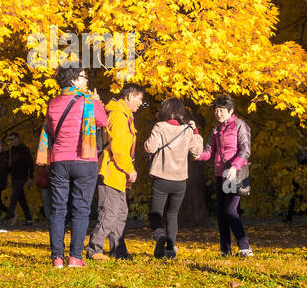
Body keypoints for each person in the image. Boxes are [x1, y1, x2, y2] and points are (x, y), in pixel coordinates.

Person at [37, 66, 109, 267]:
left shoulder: (52, 103)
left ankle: (57, 257)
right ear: (74, 79)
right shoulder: (89, 101)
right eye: (84, 77)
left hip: (59, 160)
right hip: (85, 160)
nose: (87, 80)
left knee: (58, 209)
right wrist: (97, 102)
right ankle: (75, 256)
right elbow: (103, 121)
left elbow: (52, 130)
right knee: (81, 209)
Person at [143, 97, 204, 260]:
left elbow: (150, 147)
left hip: (161, 178)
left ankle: (160, 234)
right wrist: (195, 131)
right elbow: (197, 152)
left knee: (156, 213)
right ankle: (170, 249)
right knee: (172, 215)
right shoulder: (187, 130)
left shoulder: (160, 126)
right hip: (180, 180)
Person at [89, 83, 144, 260]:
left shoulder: (124, 115)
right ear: (129, 97)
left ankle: (118, 250)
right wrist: (130, 169)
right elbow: (119, 147)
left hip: (117, 173)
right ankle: (94, 249)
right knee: (110, 212)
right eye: (139, 99)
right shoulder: (119, 116)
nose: (140, 103)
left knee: (121, 212)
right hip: (112, 171)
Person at [196, 94, 253, 258]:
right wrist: (197, 155)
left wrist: (235, 167)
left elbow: (245, 150)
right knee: (221, 213)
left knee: (230, 210)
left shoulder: (240, 125)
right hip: (220, 174)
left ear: (230, 110)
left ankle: (245, 247)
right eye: (216, 110)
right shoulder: (217, 130)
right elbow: (208, 151)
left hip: (235, 174)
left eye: (221, 110)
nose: (218, 113)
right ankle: (225, 250)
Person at [5, 131, 34, 224]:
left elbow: (31, 163)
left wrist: (31, 177)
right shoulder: (12, 150)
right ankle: (29, 219)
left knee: (14, 197)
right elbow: (13, 164)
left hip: (22, 176)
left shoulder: (25, 149)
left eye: (12, 139)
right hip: (14, 176)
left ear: (17, 139)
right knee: (21, 199)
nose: (11, 141)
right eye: (9, 140)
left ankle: (7, 218)